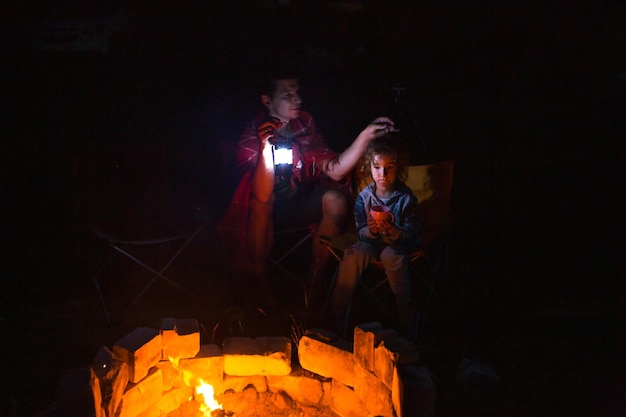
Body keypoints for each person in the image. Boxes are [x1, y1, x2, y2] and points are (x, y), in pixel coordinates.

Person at [217, 73, 396, 308]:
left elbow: (334, 170)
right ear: (267, 100)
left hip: (297, 204)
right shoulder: (254, 131)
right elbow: (261, 193)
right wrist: (265, 146)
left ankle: (312, 286)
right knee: (264, 201)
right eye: (288, 95)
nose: (297, 100)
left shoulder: (304, 124)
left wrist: (365, 135)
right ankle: (258, 283)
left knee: (335, 200)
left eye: (298, 93)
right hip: (261, 213)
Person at [329, 134, 421, 336]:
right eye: (377, 167)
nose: (383, 174)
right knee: (355, 253)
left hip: (396, 247)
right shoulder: (365, 197)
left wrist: (394, 231)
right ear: (369, 168)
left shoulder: (406, 198)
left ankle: (404, 311)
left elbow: (412, 235)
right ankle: (338, 311)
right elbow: (360, 232)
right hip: (371, 244)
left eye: (390, 167)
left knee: (391, 255)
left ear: (399, 169)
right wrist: (370, 230)